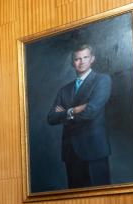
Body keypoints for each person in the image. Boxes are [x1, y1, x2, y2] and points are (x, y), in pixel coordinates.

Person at [47, 43, 112, 189]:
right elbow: (51, 118)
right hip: (71, 152)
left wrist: (64, 113)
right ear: (72, 63)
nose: (81, 62)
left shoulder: (102, 80)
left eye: (85, 57)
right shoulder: (64, 89)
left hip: (94, 150)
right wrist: (73, 110)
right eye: (77, 59)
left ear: (92, 59)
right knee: (76, 202)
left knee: (101, 199)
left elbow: (91, 112)